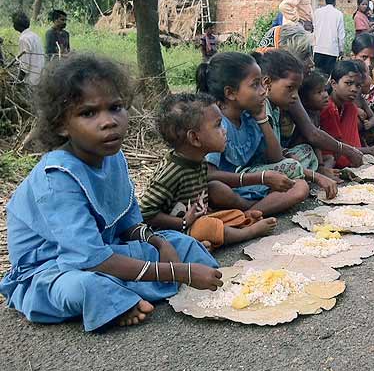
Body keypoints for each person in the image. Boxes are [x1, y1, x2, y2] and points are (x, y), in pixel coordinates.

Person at [0, 54, 223, 331]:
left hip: (106, 249)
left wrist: (159, 243)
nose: (109, 122)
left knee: (181, 243)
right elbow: (92, 260)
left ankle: (124, 296)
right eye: (89, 113)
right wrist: (182, 272)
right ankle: (120, 299)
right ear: (61, 125)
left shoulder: (112, 156)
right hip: (52, 268)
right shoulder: (57, 178)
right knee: (84, 287)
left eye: (116, 107)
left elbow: (129, 223)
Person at [139, 93, 277, 251]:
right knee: (207, 226)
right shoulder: (171, 172)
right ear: (195, 138)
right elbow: (145, 212)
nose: (224, 130)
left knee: (232, 215)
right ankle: (248, 232)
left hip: (197, 220)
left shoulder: (198, 160)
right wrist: (182, 223)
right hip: (171, 232)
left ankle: (226, 231)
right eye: (218, 125)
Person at [197, 52, 310, 216]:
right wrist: (261, 178)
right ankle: (252, 210)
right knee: (217, 190)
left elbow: (275, 158)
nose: (263, 91)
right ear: (230, 93)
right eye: (255, 85)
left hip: (249, 185)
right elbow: (209, 174)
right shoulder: (217, 123)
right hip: (228, 187)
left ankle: (249, 212)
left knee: (300, 187)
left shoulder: (249, 117)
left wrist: (262, 119)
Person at [257, 24, 365, 169]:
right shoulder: (266, 97)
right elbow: (312, 133)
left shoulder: (289, 91)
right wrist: (348, 150)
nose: (311, 63)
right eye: (305, 56)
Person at [252, 49, 338, 197]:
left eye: (297, 90)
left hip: (274, 162)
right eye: (290, 88)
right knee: (295, 172)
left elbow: (276, 148)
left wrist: (286, 153)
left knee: (305, 151)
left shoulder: (276, 108)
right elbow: (272, 157)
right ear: (267, 83)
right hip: (257, 169)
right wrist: (315, 176)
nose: (294, 96)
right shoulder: (262, 108)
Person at [320, 61, 374, 168]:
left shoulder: (349, 106)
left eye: (358, 85)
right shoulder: (328, 106)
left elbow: (348, 143)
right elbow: (336, 146)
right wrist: (369, 150)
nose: (354, 89)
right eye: (348, 83)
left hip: (342, 153)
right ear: (334, 84)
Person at [313, 0, 345, 76]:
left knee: (317, 75)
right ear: (335, 1)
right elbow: (341, 35)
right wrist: (341, 49)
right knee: (328, 75)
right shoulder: (339, 14)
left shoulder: (317, 12)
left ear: (325, 1)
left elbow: (314, 29)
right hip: (332, 50)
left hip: (318, 48)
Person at [11, 12, 44, 86]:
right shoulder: (35, 36)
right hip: (40, 76)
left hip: (31, 81)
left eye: (13, 23)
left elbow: (25, 66)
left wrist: (17, 82)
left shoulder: (23, 39)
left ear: (17, 25)